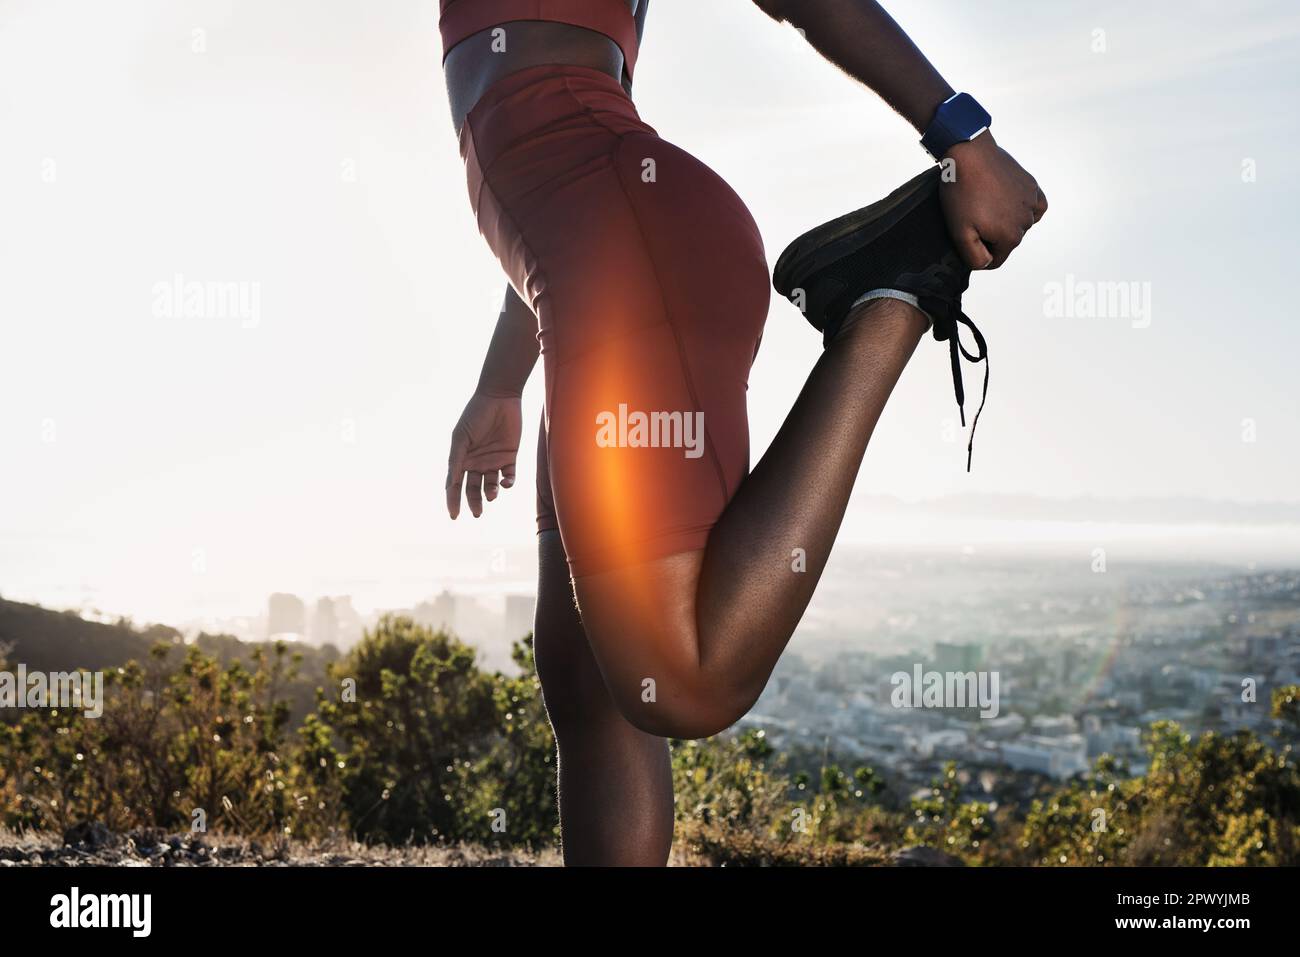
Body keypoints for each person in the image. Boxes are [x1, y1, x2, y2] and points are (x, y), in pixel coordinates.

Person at [441, 0, 1046, 865]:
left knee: (685, 681)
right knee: (591, 675)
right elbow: (553, 183)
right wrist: (502, 383)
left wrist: (961, 134)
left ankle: (897, 286)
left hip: (629, 248)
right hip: (588, 264)